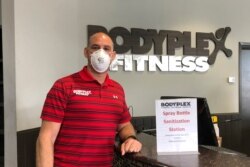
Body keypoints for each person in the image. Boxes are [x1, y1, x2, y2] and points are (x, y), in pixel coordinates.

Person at [36, 32, 142, 167]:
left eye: (106, 49)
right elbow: (46, 138)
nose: (101, 53)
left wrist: (131, 138)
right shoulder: (63, 86)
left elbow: (124, 124)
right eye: (95, 47)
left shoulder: (117, 89)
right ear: (86, 52)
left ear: (113, 55)